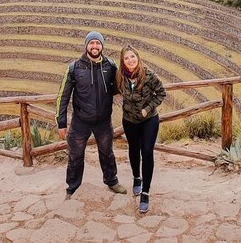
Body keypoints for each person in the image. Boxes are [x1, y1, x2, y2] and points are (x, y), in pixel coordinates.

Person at [56, 30, 127, 198]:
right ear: (86, 45)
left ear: (102, 45)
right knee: (75, 155)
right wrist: (61, 122)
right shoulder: (74, 67)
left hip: (103, 120)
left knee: (107, 152)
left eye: (98, 43)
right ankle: (72, 187)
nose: (95, 46)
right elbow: (63, 96)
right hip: (81, 120)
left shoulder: (110, 65)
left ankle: (112, 181)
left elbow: (119, 88)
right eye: (92, 43)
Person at [116, 45, 166, 213]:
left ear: (137, 57)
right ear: (123, 62)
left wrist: (147, 108)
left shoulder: (149, 75)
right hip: (129, 120)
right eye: (126, 58)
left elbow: (161, 94)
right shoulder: (120, 76)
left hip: (149, 119)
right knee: (133, 149)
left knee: (147, 151)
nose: (130, 60)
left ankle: (145, 192)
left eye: (132, 57)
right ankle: (136, 177)